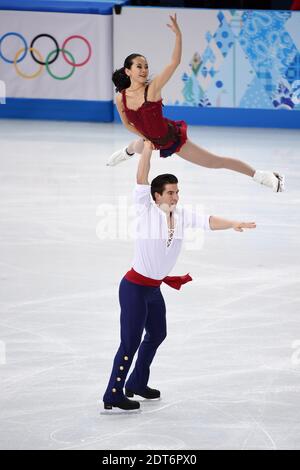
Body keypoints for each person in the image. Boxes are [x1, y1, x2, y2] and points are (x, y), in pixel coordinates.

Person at [102, 140, 256, 411]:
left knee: (157, 334)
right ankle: (113, 392)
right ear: (157, 195)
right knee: (130, 342)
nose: (175, 197)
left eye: (177, 192)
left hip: (153, 290)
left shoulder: (182, 214)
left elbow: (208, 221)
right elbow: (141, 177)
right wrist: (147, 148)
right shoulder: (145, 209)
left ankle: (137, 383)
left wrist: (233, 224)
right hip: (134, 288)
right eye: (170, 193)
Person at [107, 14, 284, 193]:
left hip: (170, 138)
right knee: (137, 146)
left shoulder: (152, 90)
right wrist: (146, 138)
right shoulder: (121, 97)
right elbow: (127, 124)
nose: (144, 70)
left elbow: (174, 63)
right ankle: (126, 152)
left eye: (146, 66)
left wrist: (178, 35)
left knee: (215, 162)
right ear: (128, 71)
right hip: (148, 138)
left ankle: (261, 175)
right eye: (139, 66)